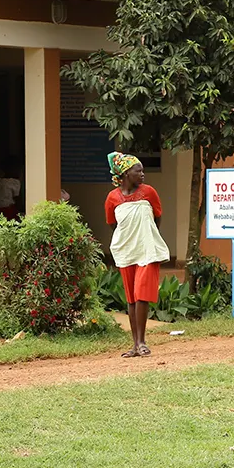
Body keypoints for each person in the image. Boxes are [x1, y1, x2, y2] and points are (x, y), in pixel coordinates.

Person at [104, 152, 170, 358]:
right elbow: (113, 224)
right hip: (126, 250)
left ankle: (142, 342)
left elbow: (157, 217)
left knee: (142, 294)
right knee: (132, 298)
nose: (143, 174)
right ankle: (134, 345)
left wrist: (146, 236)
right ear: (125, 173)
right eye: (138, 171)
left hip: (147, 249)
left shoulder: (149, 192)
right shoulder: (112, 197)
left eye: (142, 171)